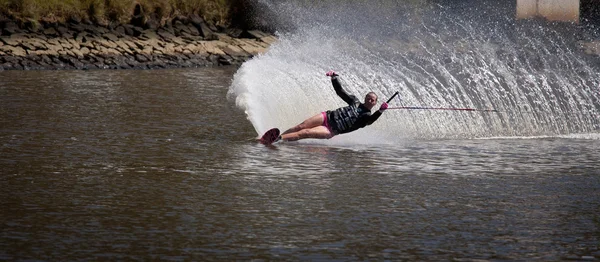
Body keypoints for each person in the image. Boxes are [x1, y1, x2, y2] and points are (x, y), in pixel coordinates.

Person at [275, 70, 389, 142]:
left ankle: (278, 139)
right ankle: (278, 137)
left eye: (372, 100)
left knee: (306, 133)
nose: (370, 100)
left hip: (331, 129)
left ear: (375, 103)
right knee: (300, 127)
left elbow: (370, 121)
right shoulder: (355, 101)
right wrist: (334, 78)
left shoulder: (366, 116)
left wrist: (380, 111)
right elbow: (340, 92)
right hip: (327, 116)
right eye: (368, 98)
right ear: (365, 98)